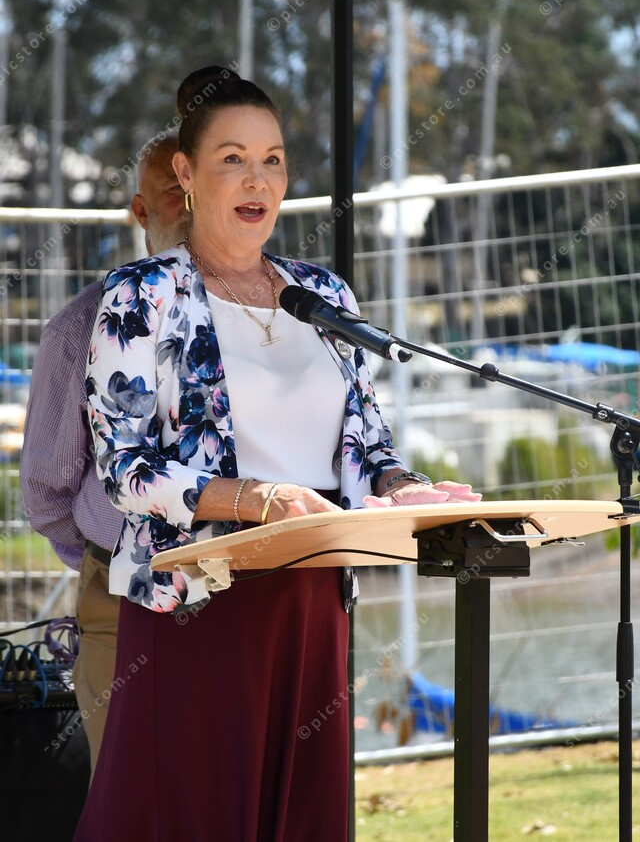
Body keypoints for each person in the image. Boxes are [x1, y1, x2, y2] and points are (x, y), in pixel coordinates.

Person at [73, 66, 480, 842]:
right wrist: (257, 498)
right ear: (185, 173)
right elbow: (125, 468)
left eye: (273, 160)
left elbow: (366, 443)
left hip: (312, 604)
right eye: (232, 159)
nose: (257, 179)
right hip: (196, 609)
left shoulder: (325, 297)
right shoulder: (139, 296)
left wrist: (402, 488)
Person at [20, 131, 190, 774]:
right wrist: (104, 560)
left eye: (200, 188)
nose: (191, 206)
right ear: (140, 210)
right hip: (122, 597)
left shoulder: (274, 311)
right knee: (128, 793)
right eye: (174, 192)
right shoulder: (81, 326)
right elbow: (45, 493)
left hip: (251, 593)